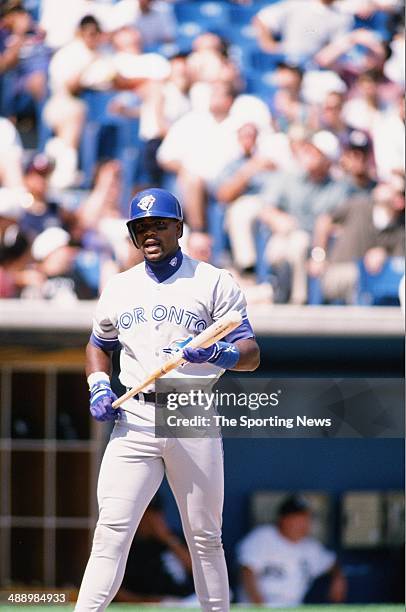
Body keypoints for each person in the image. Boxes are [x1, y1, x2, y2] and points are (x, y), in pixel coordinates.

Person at [74, 188, 260, 611]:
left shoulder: (212, 280)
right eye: (141, 227)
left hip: (188, 410)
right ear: (133, 235)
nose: (150, 233)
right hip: (135, 417)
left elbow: (251, 352)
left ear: (179, 227)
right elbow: (97, 344)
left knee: (204, 536)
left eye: (159, 224)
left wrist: (219, 352)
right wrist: (99, 384)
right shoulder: (119, 287)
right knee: (111, 532)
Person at [236, 494, 347, 606]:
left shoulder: (311, 547)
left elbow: (331, 564)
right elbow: (247, 572)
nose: (303, 523)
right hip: (256, 608)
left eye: (306, 518)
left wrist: (338, 578)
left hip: (292, 607)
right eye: (298, 518)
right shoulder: (262, 537)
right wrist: (261, 608)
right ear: (283, 519)